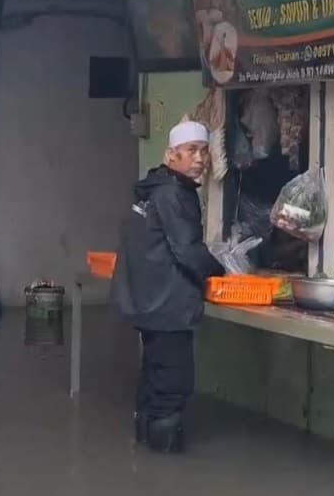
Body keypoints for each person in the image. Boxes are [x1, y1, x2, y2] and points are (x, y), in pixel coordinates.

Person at [111, 121, 226, 454]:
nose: (200, 159)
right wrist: (220, 271)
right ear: (171, 155)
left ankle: (144, 451)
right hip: (167, 305)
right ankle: (164, 458)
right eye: (191, 151)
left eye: (203, 151)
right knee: (173, 384)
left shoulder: (155, 188)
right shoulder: (173, 193)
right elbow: (187, 249)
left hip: (149, 302)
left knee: (153, 377)